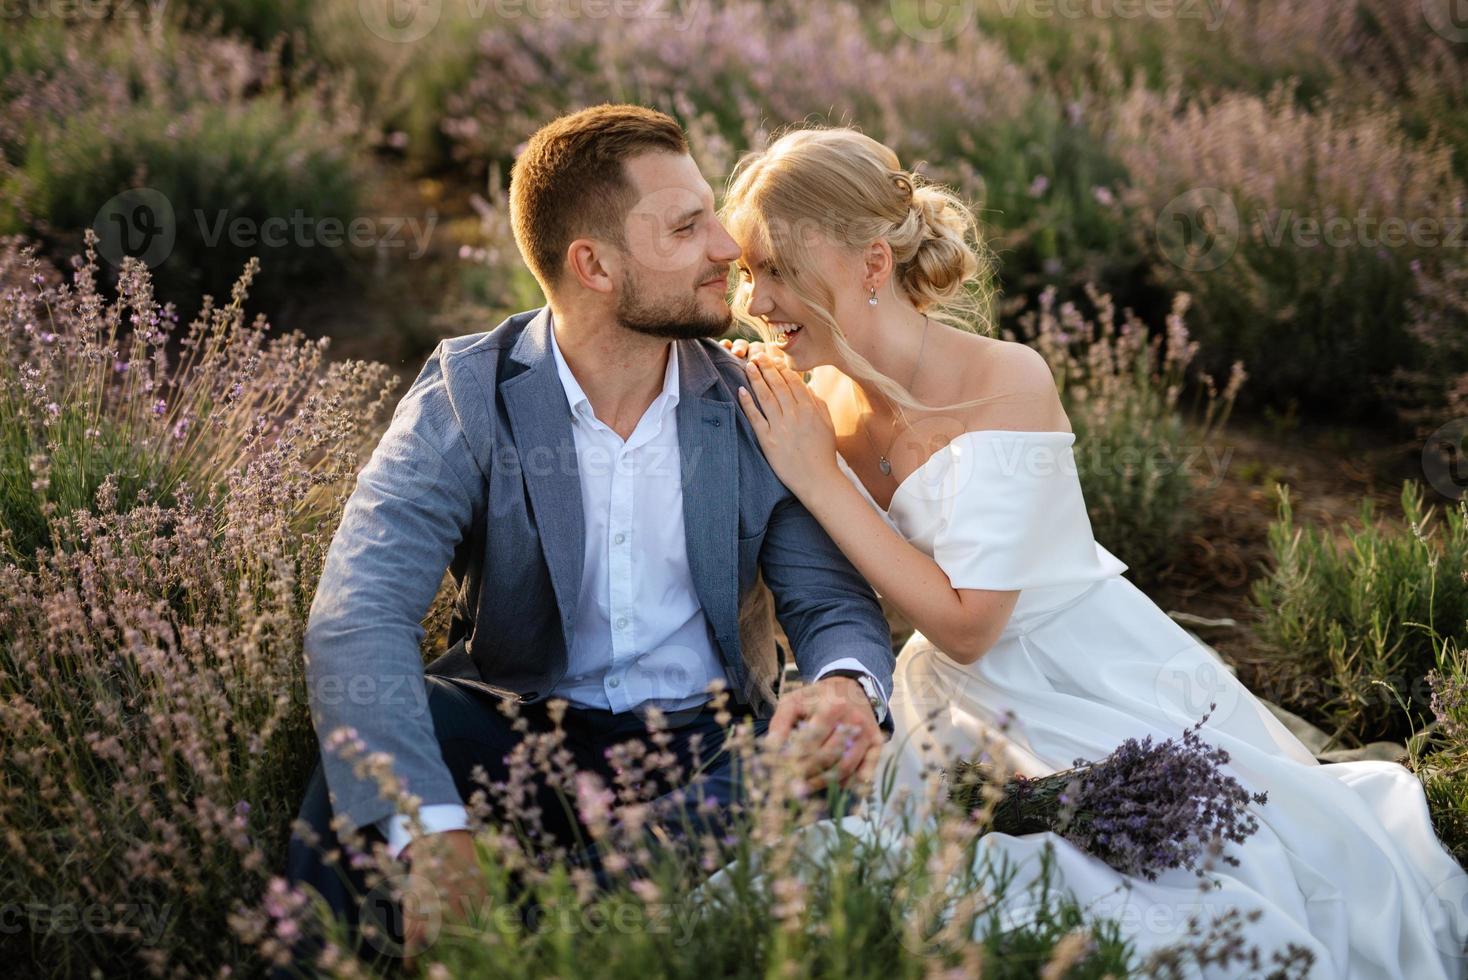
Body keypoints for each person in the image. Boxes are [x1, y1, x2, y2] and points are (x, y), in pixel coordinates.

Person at [715, 124, 1468, 977]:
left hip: (1087, 674)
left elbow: (972, 624)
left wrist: (818, 476)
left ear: (871, 266)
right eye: (745, 271)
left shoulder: (1007, 380)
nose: (757, 302)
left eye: (777, 270)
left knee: (1200, 871)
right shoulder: (811, 398)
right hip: (953, 705)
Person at [278, 105, 895, 975]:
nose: (729, 247)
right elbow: (359, 614)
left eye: (711, 215)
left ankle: (545, 920)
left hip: (707, 747)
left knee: (809, 758)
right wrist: (432, 833)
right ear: (594, 264)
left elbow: (830, 603)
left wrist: (842, 685)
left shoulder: (758, 402)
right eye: (687, 227)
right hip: (516, 731)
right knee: (380, 775)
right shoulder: (471, 394)